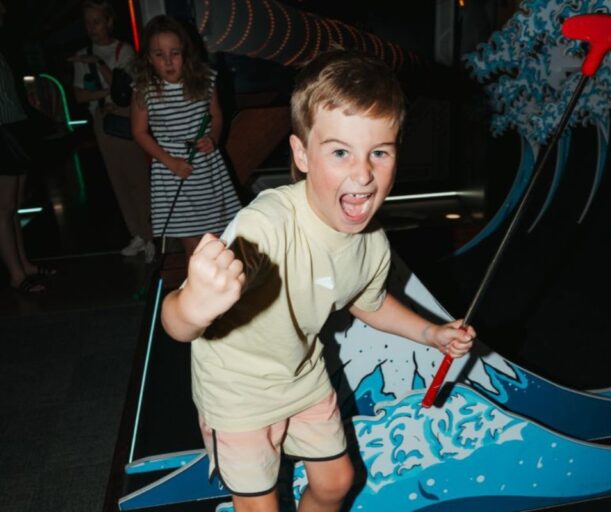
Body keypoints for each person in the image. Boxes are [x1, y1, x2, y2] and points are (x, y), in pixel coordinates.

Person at [160, 48, 477, 512]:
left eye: (380, 152)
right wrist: (194, 306)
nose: (364, 173)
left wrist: (430, 332)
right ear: (302, 154)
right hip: (238, 389)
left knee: (335, 481)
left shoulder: (371, 241)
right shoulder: (264, 227)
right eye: (341, 152)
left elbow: (367, 303)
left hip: (301, 373)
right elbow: (175, 323)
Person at [130, 15, 241, 263]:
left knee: (219, 241)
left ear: (186, 54)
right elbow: (138, 132)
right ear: (148, 58)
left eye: (175, 53)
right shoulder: (144, 89)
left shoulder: (205, 80)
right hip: (171, 171)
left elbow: (216, 116)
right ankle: (200, 297)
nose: (168, 61)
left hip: (207, 169)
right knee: (193, 248)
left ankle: (225, 296)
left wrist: (212, 137)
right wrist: (169, 162)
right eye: (159, 55)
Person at [70, 0, 154, 262]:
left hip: (125, 118)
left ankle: (150, 235)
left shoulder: (123, 50)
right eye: (87, 22)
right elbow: (80, 95)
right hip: (102, 121)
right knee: (118, 181)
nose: (92, 28)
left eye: (96, 21)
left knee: (138, 178)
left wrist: (98, 65)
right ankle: (137, 234)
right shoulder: (81, 54)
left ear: (108, 21)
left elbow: (124, 90)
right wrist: (106, 93)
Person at [0, 0, 55, 294]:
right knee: (4, 207)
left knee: (14, 206)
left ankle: (24, 264)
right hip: (2, 132)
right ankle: (16, 274)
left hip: (13, 128)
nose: (4, 11)